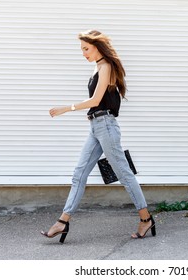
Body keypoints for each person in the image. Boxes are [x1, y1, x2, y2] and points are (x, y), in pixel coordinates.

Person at [40, 30, 156, 243]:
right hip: (97, 127)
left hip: (107, 127)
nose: (83, 53)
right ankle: (63, 222)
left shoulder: (106, 67)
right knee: (79, 173)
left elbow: (96, 100)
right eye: (82, 49)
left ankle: (146, 218)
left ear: (97, 47)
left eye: (86, 48)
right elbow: (98, 103)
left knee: (124, 174)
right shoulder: (97, 68)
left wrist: (67, 108)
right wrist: (92, 116)